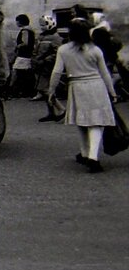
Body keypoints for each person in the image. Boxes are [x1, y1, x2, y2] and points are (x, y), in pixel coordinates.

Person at [48, 18, 118, 173]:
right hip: (96, 86)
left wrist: (51, 90)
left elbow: (57, 71)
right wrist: (112, 92)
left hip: (76, 86)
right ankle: (93, 157)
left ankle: (85, 153)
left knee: (81, 122)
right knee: (96, 123)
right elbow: (105, 73)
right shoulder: (95, 50)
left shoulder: (64, 50)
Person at [32, 15, 64, 122]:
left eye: (44, 25)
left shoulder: (56, 38)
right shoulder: (41, 37)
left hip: (48, 67)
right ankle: (51, 112)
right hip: (40, 66)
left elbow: (57, 53)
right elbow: (36, 50)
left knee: (45, 89)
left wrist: (46, 60)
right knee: (42, 89)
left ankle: (61, 109)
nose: (42, 27)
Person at [9, 14, 37, 98]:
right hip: (26, 55)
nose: (16, 23)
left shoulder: (25, 30)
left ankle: (14, 91)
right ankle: (25, 91)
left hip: (23, 55)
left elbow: (25, 42)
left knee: (17, 72)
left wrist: (18, 46)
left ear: (21, 21)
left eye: (17, 21)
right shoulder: (30, 30)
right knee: (24, 74)